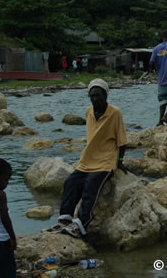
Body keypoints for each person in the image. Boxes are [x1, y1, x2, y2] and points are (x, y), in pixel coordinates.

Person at [43, 79, 127, 238]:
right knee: (71, 182)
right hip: (87, 160)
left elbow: (122, 141)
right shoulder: (89, 112)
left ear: (105, 95)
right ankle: (64, 219)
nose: (95, 99)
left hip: (105, 162)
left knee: (90, 185)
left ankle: (81, 224)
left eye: (98, 95)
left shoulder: (115, 113)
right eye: (92, 96)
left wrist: (120, 162)